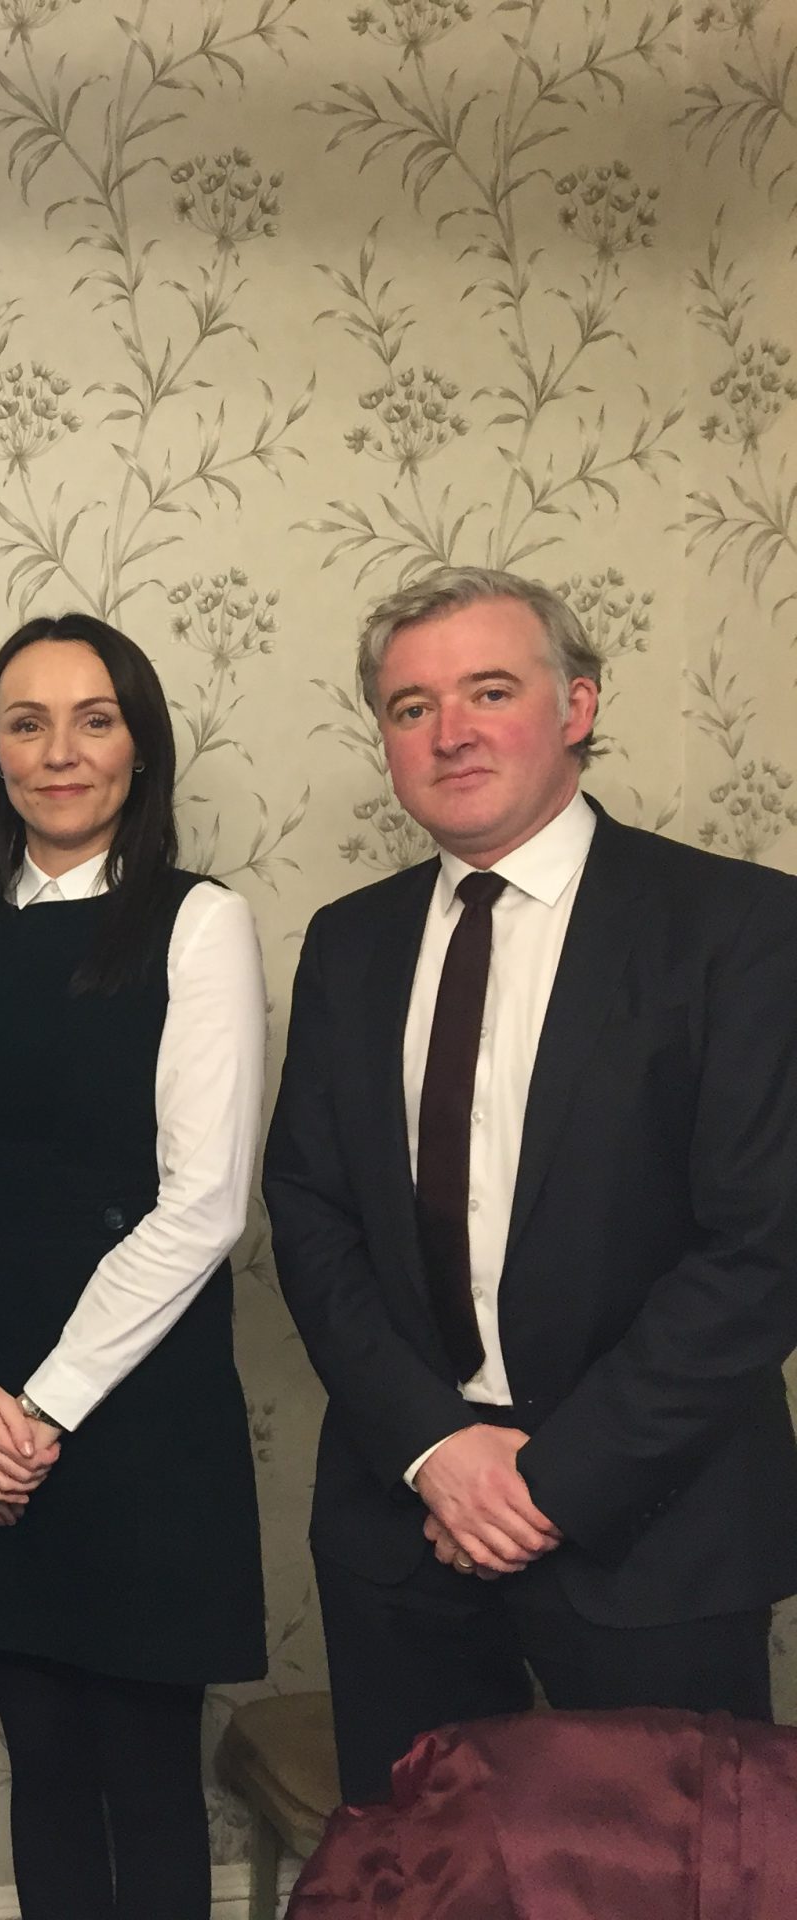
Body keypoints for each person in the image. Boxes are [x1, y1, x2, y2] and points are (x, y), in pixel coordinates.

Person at [265, 566, 797, 1808]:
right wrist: (437, 1448)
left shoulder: (739, 929)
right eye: (409, 706)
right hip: (403, 1525)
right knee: (418, 1885)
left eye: (488, 690)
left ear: (575, 707)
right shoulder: (348, 941)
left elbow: (761, 1250)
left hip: (655, 1536)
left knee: (678, 1893)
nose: (448, 730)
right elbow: (310, 1212)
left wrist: (545, 1487)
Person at [0, 614, 267, 1920]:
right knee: (40, 1760)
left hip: (131, 1414)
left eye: (93, 719)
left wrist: (42, 1409)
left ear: (140, 745)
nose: (59, 752)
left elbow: (203, 1203)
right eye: (25, 724)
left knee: (147, 1773)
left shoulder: (198, 926)